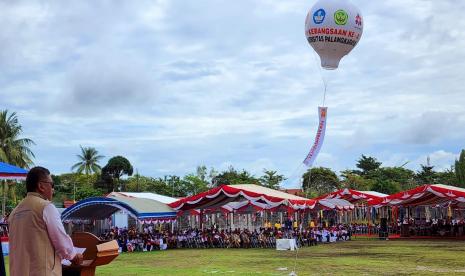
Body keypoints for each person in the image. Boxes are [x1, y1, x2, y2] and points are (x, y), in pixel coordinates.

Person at [8, 166, 83, 276]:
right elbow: (61, 241)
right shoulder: (46, 207)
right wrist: (74, 256)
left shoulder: (14, 212)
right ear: (41, 186)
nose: (53, 190)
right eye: (52, 185)